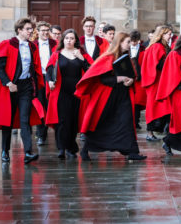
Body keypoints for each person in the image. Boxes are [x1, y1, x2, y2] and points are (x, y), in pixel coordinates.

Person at [0, 17, 44, 164]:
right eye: (28, 29)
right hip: (10, 88)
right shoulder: (8, 44)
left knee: (25, 120)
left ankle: (28, 153)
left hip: (26, 87)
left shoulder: (32, 47)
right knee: (8, 121)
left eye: (31, 29)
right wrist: (8, 83)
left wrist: (35, 86)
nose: (31, 32)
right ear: (19, 30)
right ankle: (5, 151)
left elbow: (34, 67)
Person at [75, 32, 147, 161]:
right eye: (127, 42)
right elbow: (102, 79)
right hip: (109, 96)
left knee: (126, 122)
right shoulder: (108, 57)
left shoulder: (127, 57)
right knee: (101, 123)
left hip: (123, 95)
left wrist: (130, 80)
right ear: (119, 43)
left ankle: (132, 151)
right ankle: (86, 149)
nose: (130, 45)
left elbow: (132, 75)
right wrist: (118, 79)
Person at [45, 29, 93, 159]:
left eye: (72, 38)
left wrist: (82, 58)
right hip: (61, 92)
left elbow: (91, 69)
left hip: (77, 93)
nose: (69, 40)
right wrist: (49, 80)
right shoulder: (57, 54)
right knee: (62, 121)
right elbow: (49, 69)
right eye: (67, 38)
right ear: (63, 40)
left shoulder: (81, 54)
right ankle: (61, 148)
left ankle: (71, 148)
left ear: (76, 40)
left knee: (73, 121)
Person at [141, 25, 173, 141]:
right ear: (162, 34)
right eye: (168, 34)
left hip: (162, 81)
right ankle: (150, 133)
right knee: (153, 107)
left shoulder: (163, 46)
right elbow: (158, 64)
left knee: (164, 106)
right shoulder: (157, 47)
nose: (170, 36)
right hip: (156, 82)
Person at [32, 21, 58, 146]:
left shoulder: (55, 44)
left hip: (51, 78)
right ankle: (41, 134)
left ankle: (54, 132)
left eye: (47, 30)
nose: (45, 33)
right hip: (38, 78)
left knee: (51, 105)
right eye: (42, 30)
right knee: (40, 106)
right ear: (37, 31)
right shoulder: (32, 45)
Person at [129, 30, 146, 129]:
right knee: (131, 101)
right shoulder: (127, 49)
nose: (133, 43)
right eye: (132, 40)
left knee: (138, 102)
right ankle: (133, 121)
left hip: (140, 78)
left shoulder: (143, 49)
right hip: (130, 77)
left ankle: (136, 121)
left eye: (135, 41)